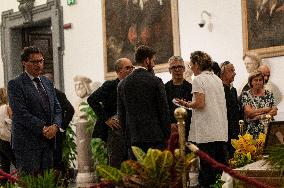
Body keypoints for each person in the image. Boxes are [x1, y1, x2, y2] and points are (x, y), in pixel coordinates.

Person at [175, 51, 228, 187]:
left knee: (207, 170)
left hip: (206, 132)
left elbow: (200, 103)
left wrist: (186, 104)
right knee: (220, 169)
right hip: (220, 130)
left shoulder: (198, 79)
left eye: (191, 64)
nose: (190, 68)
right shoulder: (217, 79)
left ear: (197, 64)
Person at [7, 46, 62, 175]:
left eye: (41, 61)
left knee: (46, 182)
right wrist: (43, 128)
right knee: (30, 182)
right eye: (34, 62)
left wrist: (55, 126)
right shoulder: (15, 84)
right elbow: (21, 113)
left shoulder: (47, 82)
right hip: (27, 144)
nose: (39, 65)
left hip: (47, 143)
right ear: (24, 63)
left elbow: (57, 108)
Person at [117, 45, 171, 154]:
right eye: (153, 60)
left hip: (133, 139)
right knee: (155, 170)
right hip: (155, 138)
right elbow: (163, 111)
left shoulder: (122, 84)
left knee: (138, 171)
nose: (154, 64)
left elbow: (121, 115)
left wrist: (126, 138)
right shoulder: (156, 81)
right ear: (147, 60)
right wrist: (167, 135)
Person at [87, 58, 134, 168]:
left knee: (133, 163)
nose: (131, 70)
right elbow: (92, 99)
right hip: (116, 130)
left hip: (132, 129)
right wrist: (106, 119)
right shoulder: (110, 85)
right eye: (127, 68)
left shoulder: (134, 86)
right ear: (118, 71)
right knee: (116, 162)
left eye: (132, 67)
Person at [44, 73, 75, 173]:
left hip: (57, 132)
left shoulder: (59, 94)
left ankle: (59, 181)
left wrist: (62, 127)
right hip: (44, 132)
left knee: (57, 158)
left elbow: (70, 110)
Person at [241, 70, 278, 139]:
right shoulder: (246, 94)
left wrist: (259, 117)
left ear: (263, 81)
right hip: (253, 131)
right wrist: (266, 109)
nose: (258, 82)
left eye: (260, 80)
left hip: (268, 130)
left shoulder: (269, 94)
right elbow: (249, 113)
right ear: (251, 82)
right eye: (255, 80)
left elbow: (274, 111)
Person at [165, 56, 192, 139]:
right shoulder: (164, 88)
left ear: (184, 69)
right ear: (170, 70)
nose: (177, 70)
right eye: (174, 67)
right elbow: (163, 109)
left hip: (189, 130)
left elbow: (193, 110)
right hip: (171, 131)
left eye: (180, 67)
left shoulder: (191, 88)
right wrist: (170, 123)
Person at [219, 61, 241, 158]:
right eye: (231, 71)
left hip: (234, 131)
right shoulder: (219, 90)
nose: (235, 73)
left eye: (234, 70)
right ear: (222, 73)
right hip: (224, 133)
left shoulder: (233, 90)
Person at [0, 88, 15, 184]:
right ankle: (27, 181)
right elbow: (14, 122)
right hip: (7, 139)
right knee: (17, 161)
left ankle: (3, 185)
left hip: (0, 139)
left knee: (4, 165)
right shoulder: (6, 107)